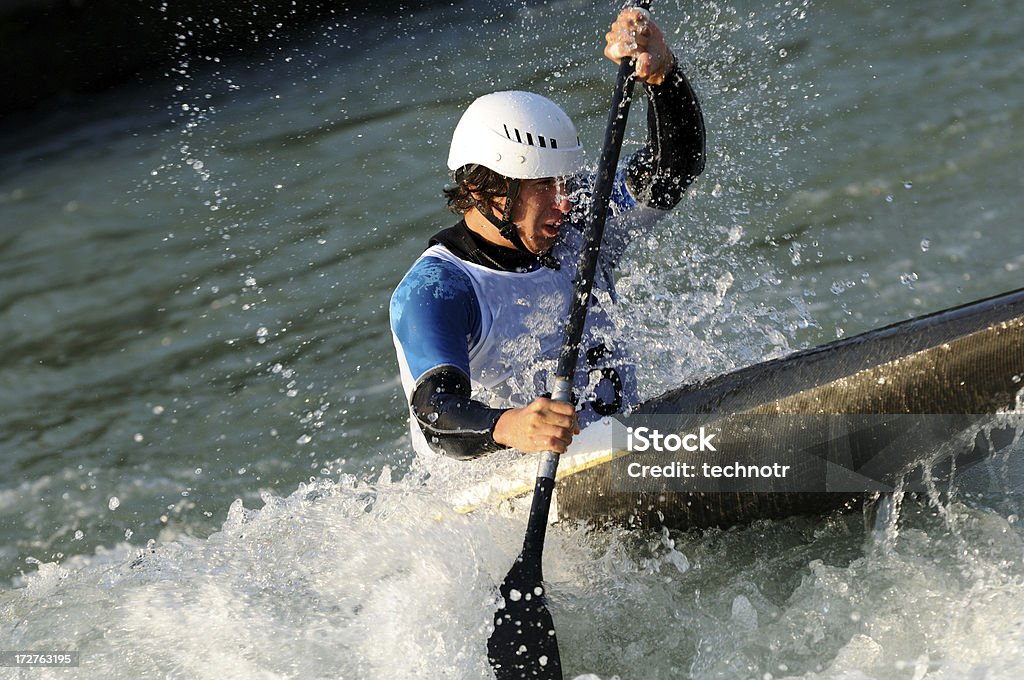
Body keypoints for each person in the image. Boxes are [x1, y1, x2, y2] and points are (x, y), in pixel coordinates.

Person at [390, 8, 705, 460]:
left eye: (564, 181)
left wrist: (662, 77)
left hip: (625, 448)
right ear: (482, 188)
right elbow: (436, 411)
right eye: (542, 185)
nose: (565, 201)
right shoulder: (438, 290)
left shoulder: (579, 221)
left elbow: (673, 170)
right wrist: (509, 424)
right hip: (507, 490)